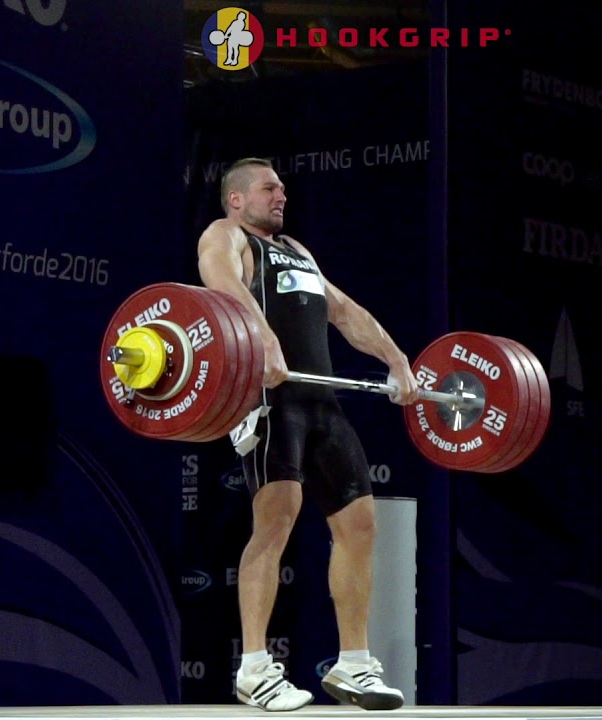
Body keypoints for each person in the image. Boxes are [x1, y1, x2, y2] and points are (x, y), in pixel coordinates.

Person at [196, 157, 419, 711]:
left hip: (321, 403)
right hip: (271, 400)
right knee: (274, 521)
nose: (281, 196)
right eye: (269, 188)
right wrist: (263, 339)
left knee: (361, 524)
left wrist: (397, 361)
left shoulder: (297, 251)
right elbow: (218, 278)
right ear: (237, 199)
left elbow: (344, 312)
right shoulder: (226, 234)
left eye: (283, 189)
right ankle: (252, 667)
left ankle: (353, 665)